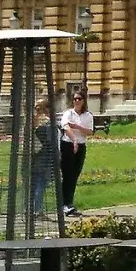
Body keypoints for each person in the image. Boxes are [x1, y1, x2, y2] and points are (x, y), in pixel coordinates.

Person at [59, 88, 94, 217]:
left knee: (74, 175)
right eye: (75, 99)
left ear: (84, 101)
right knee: (67, 174)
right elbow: (66, 127)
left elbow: (89, 132)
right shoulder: (68, 113)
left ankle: (69, 203)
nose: (77, 101)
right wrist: (74, 140)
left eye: (79, 99)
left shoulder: (88, 116)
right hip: (68, 145)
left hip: (81, 146)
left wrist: (78, 127)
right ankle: (64, 203)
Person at [31, 97, 57, 215]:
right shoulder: (48, 122)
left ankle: (31, 209)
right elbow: (51, 140)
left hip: (33, 155)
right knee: (40, 182)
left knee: (35, 182)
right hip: (44, 156)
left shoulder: (33, 120)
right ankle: (37, 210)